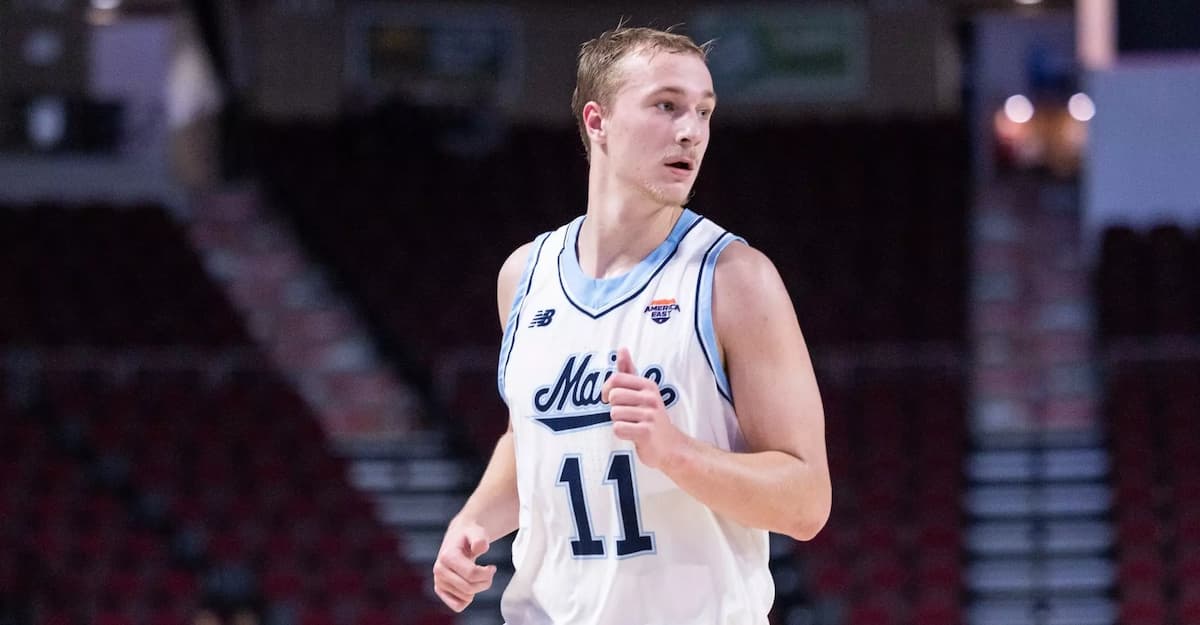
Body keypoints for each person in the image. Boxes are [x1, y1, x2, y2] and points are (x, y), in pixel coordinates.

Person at [433, 24, 831, 624]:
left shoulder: (735, 279)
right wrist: (473, 522)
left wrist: (677, 453)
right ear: (598, 122)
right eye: (666, 105)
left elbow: (806, 502)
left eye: (703, 111)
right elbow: (532, 441)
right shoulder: (524, 276)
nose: (691, 130)